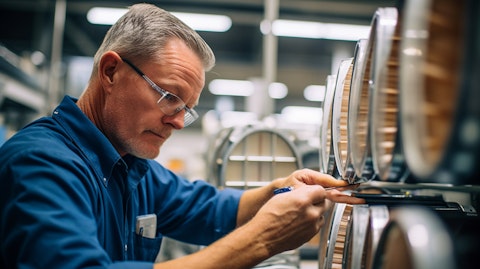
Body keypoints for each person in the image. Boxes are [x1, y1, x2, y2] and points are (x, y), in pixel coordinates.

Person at [0, 3, 364, 269]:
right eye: (169, 97)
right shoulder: (41, 165)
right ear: (111, 71)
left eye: (186, 109)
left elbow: (210, 209)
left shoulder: (131, 167)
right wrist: (263, 239)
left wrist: (283, 189)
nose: (177, 122)